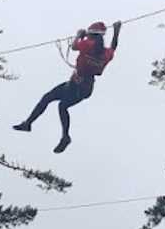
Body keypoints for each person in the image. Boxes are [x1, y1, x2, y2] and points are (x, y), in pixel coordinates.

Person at [13, 20, 122, 153]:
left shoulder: (88, 44)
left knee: (50, 99)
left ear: (91, 36)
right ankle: (53, 132)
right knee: (59, 104)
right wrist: (117, 31)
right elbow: (113, 47)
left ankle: (33, 125)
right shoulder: (105, 54)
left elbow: (75, 46)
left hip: (75, 85)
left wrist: (79, 35)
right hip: (85, 89)